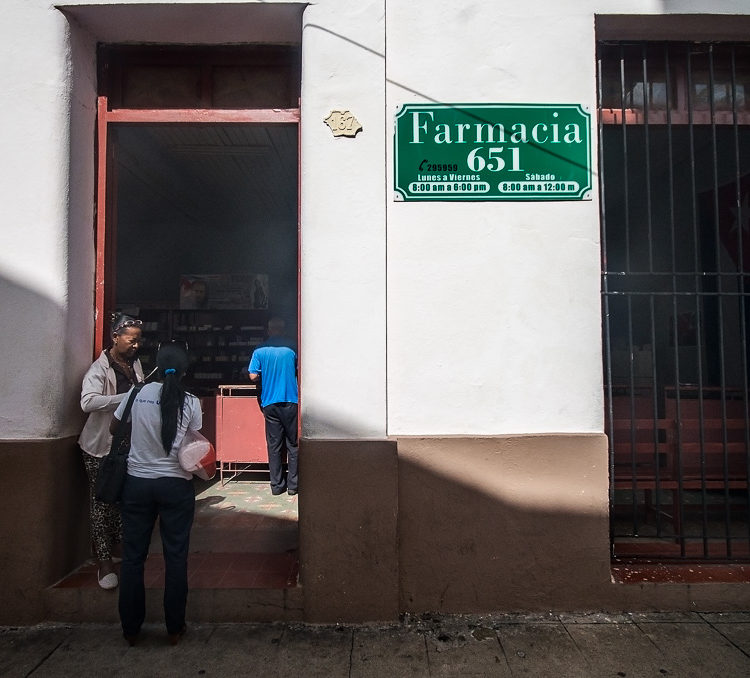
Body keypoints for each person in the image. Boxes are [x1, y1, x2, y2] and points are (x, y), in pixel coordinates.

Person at [111, 341, 202, 646]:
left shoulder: (137, 394)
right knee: (176, 557)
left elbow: (114, 428)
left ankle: (131, 629)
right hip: (176, 485)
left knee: (133, 558)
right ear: (186, 369)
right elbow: (194, 441)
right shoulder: (191, 402)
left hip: (137, 484)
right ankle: (174, 628)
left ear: (158, 368)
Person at [79, 313, 144, 590]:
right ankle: (103, 561)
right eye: (131, 340)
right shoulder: (99, 369)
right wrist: (127, 397)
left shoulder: (135, 364)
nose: (136, 346)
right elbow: (88, 402)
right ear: (115, 338)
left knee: (120, 499)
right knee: (101, 503)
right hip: (99, 448)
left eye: (139, 341)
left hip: (126, 446)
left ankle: (119, 550)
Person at [248, 317, 299, 495]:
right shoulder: (292, 347)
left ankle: (277, 486)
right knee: (293, 445)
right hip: (291, 401)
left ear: (269, 330)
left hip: (269, 402)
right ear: (283, 330)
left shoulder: (260, 350)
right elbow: (300, 369)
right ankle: (293, 486)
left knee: (274, 446)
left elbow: (253, 376)